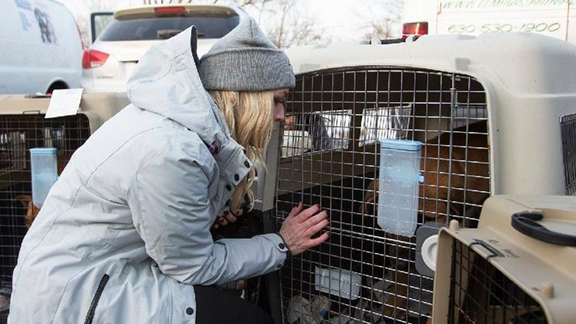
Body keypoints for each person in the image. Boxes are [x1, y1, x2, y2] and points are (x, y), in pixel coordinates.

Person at [9, 18, 329, 324]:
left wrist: (211, 215)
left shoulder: (177, 124)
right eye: (276, 100)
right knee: (252, 321)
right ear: (245, 97)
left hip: (97, 277)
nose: (280, 115)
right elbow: (193, 266)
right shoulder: (172, 151)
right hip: (74, 302)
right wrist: (282, 243)